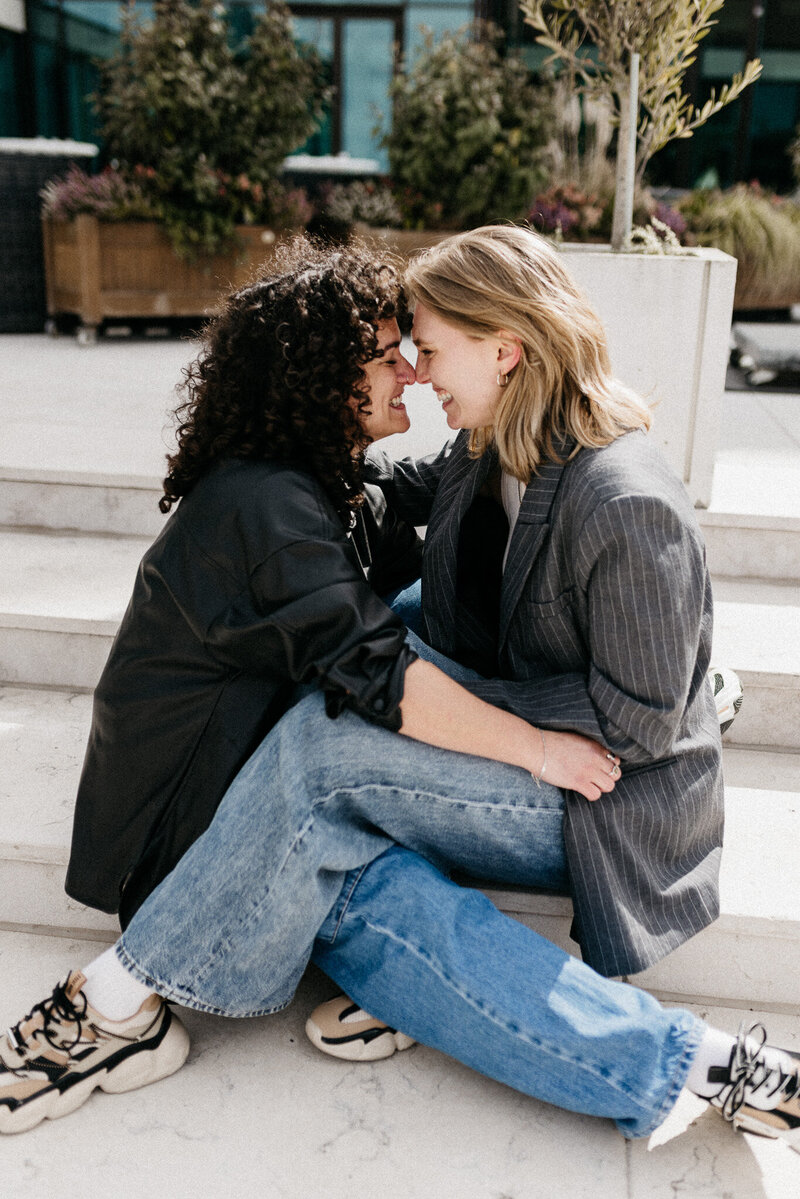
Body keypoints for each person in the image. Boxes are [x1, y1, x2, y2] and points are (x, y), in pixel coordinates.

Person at [2, 233, 795, 1150]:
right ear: (320, 380)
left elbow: (631, 715)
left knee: (338, 757)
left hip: (597, 791)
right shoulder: (302, 499)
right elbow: (383, 633)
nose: (415, 373)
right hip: (210, 818)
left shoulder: (601, 490)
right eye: (393, 354)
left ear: (505, 350)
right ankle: (711, 1065)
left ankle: (114, 998)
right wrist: (522, 730)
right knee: (371, 875)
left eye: (424, 347)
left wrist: (590, 697)